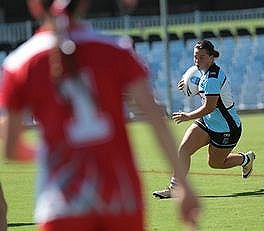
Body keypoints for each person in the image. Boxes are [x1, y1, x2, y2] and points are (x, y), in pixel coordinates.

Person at [0, 0, 199, 230]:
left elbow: (11, 148)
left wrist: (50, 152)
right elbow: (156, 119)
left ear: (35, 6)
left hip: (62, 202)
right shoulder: (117, 49)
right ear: (84, 5)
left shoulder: (20, 63)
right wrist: (183, 185)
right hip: (121, 198)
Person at [153, 40, 256, 199]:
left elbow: (210, 106)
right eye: (195, 57)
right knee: (184, 150)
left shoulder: (212, 78)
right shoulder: (200, 71)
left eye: (201, 57)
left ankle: (245, 158)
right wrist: (188, 87)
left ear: (211, 58)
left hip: (226, 129)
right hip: (207, 122)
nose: (197, 61)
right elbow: (200, 89)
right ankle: (174, 189)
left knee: (215, 163)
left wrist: (187, 116)